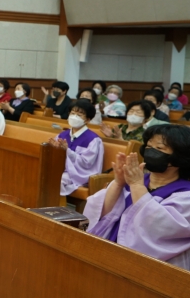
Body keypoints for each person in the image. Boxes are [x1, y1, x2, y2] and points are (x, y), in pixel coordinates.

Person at [84, 124, 190, 270]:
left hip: (150, 267)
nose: (151, 151)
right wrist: (118, 183)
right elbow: (100, 213)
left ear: (179, 157)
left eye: (159, 148)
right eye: (149, 146)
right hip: (110, 251)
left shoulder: (185, 193)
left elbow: (161, 229)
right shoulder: (137, 179)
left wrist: (136, 186)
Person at [49, 99, 104, 197]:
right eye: (72, 113)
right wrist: (55, 149)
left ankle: (56, 204)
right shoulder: (63, 135)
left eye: (79, 115)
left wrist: (67, 151)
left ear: (87, 120)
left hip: (79, 174)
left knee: (55, 180)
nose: (74, 117)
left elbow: (86, 163)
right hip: (61, 169)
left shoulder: (93, 139)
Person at [102, 100, 167, 143]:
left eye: (138, 112)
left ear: (146, 117)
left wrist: (121, 140)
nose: (134, 114)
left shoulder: (146, 134)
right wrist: (110, 137)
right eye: (131, 111)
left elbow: (137, 151)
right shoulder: (119, 127)